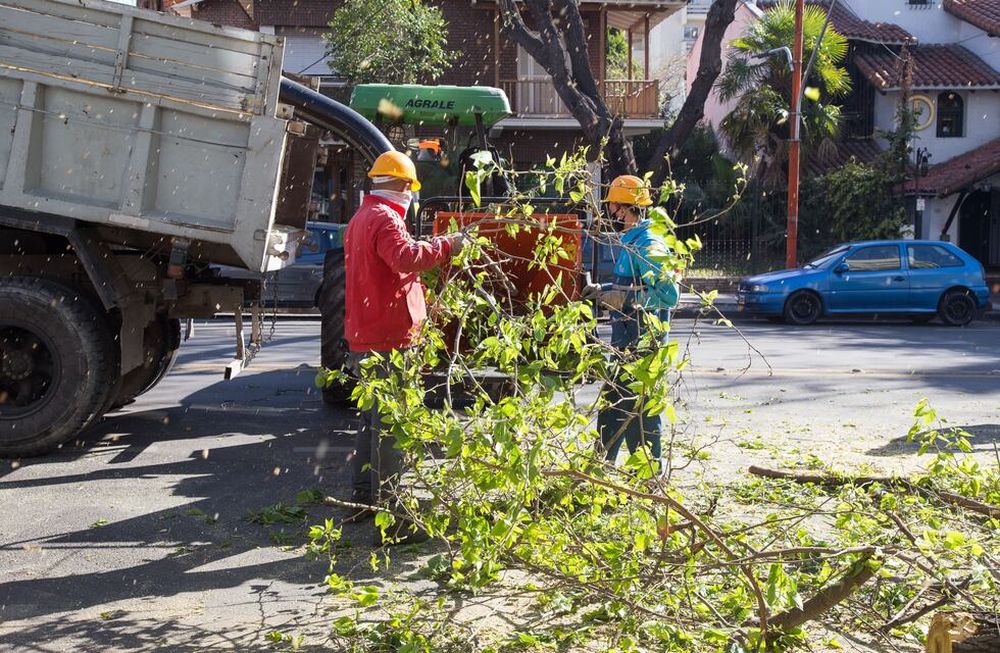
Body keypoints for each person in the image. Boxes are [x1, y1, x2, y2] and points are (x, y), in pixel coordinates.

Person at [343, 150, 464, 527]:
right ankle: (394, 515)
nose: (411, 196)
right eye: (410, 188)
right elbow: (406, 258)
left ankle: (364, 498)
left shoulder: (362, 217)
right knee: (393, 426)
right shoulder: (385, 219)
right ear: (400, 185)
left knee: (371, 421)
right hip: (389, 340)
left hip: (367, 335)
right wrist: (448, 245)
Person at [583, 175, 680, 471]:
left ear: (625, 208)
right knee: (612, 411)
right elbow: (631, 287)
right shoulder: (631, 243)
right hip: (625, 346)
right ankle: (600, 473)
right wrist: (604, 291)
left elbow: (669, 295)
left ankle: (650, 479)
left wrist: (623, 300)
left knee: (642, 418)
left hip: (645, 349)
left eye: (613, 207)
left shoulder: (649, 245)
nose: (611, 214)